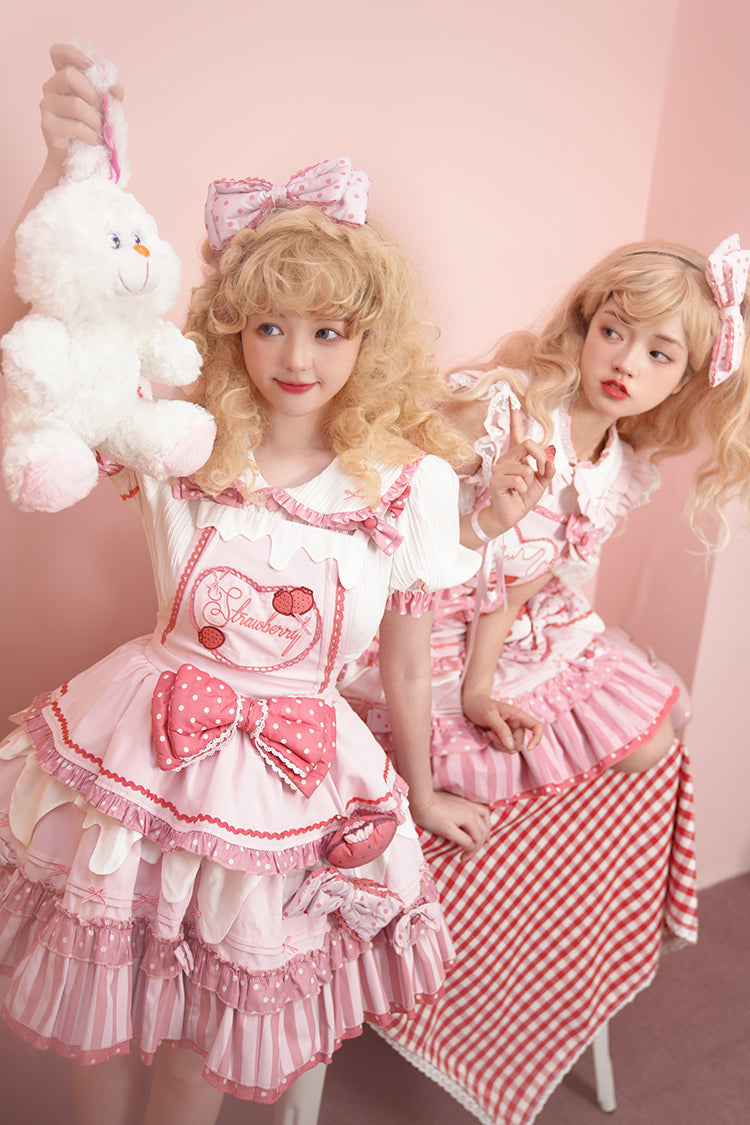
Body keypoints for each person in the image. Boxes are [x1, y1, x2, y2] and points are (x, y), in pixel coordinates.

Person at [0, 45, 489, 1125]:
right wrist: (62, 167)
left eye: (328, 330)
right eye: (270, 324)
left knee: (199, 1041)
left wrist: (419, 789)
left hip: (292, 778)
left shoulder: (408, 483)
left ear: (369, 338)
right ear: (234, 328)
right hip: (141, 754)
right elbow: (42, 342)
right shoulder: (183, 441)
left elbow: (409, 664)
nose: (296, 356)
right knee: (107, 1008)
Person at [342, 234, 750, 813]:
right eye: (614, 331)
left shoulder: (617, 473)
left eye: (660, 354)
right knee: (460, 765)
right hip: (407, 620)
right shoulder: (499, 413)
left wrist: (479, 691)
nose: (626, 363)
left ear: (685, 379)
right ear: (586, 326)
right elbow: (383, 536)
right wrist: (485, 518)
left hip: (488, 632)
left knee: (650, 740)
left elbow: (513, 592)